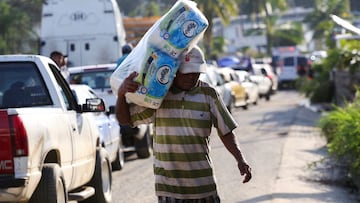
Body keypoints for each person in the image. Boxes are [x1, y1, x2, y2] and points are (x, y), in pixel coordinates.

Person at [115, 45, 252, 202]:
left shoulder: (209, 94)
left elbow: (226, 131)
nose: (192, 77)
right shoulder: (158, 96)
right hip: (169, 190)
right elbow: (125, 120)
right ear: (175, 71)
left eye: (196, 72)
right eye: (187, 72)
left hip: (203, 187)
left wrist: (240, 160)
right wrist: (121, 95)